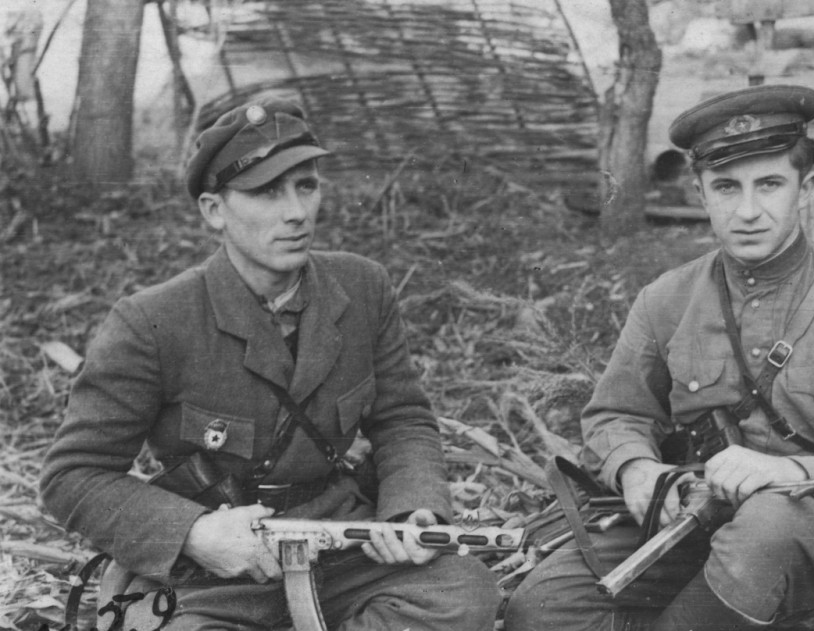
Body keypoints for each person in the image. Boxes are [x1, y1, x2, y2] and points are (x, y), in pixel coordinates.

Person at [504, 85, 814, 630]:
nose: (747, 212)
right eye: (726, 187)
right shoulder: (666, 300)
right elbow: (615, 415)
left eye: (769, 185)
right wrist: (636, 467)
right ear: (701, 194)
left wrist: (787, 469)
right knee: (546, 608)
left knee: (765, 527)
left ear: (805, 189)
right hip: (693, 512)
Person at [41, 97, 501, 631]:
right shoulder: (152, 321)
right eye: (266, 191)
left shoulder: (362, 287)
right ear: (214, 210)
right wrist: (196, 534)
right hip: (211, 573)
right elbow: (72, 476)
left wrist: (410, 510)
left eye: (306, 185)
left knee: (463, 594)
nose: (297, 212)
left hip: (340, 546)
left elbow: (402, 419)